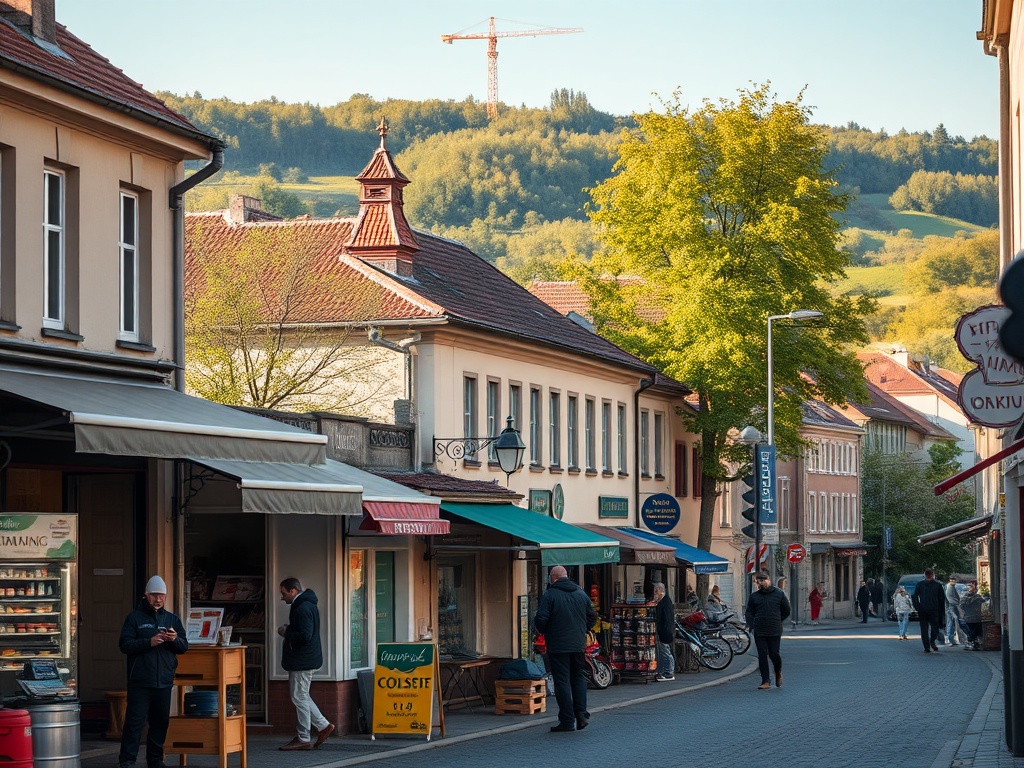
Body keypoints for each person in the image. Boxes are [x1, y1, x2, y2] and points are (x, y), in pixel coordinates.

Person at [118, 575, 188, 768]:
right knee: (134, 723)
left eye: (162, 596)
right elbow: (124, 645)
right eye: (154, 595)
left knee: (160, 722)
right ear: (146, 595)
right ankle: (127, 760)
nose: (158, 599)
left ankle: (155, 759)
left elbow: (183, 647)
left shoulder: (172, 618)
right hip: (140, 680)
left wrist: (174, 639)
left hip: (164, 680)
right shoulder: (134, 618)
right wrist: (148, 642)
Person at [534, 565, 598, 732]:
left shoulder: (550, 595)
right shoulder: (580, 593)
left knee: (562, 681)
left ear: (553, 578)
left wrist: (546, 631)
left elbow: (541, 619)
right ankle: (581, 714)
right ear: (566, 576)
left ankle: (567, 720)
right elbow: (592, 616)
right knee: (578, 678)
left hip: (558, 645)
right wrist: (582, 629)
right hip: (578, 644)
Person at [278, 577, 334, 751]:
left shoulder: (302, 608)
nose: (282, 597)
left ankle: (304, 737)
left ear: (293, 591)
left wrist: (286, 632)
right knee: (301, 695)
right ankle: (323, 726)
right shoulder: (306, 605)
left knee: (299, 697)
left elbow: (304, 635)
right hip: (305, 658)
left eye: (284, 593)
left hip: (302, 660)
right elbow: (305, 632)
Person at [745, 571, 790, 690]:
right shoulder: (755, 596)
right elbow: (749, 611)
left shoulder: (779, 594)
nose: (762, 583)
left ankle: (778, 671)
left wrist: (778, 619)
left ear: (769, 580)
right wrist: (751, 624)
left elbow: (786, 610)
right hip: (759, 629)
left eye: (764, 580)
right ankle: (765, 680)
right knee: (762, 655)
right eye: (759, 581)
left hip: (774, 629)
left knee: (774, 653)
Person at [913, 569, 947, 653]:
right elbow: (942, 599)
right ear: (932, 575)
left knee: (928, 629)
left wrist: (917, 606)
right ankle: (929, 644)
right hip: (930, 610)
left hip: (927, 610)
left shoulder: (936, 585)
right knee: (931, 628)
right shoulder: (923, 585)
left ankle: (929, 644)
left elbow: (914, 597)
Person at [652, 582, 675, 682]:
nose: (655, 594)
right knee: (664, 651)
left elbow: (666, 618)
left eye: (656, 591)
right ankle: (665, 671)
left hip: (665, 630)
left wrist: (662, 629)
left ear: (661, 591)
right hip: (665, 630)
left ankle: (669, 672)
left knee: (665, 651)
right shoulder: (664, 601)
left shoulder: (665, 602)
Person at [960, 581, 986, 651]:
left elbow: (961, 606)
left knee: (970, 630)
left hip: (968, 618)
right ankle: (974, 642)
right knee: (976, 630)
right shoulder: (978, 597)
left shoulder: (963, 598)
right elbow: (983, 601)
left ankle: (971, 642)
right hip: (976, 617)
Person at [945, 575, 963, 646]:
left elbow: (956, 596)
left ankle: (951, 639)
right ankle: (951, 639)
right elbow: (950, 599)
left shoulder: (952, 586)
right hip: (951, 607)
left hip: (952, 606)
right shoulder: (949, 587)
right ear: (950, 580)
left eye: (954, 580)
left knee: (951, 622)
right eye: (952, 580)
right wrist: (957, 603)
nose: (954, 582)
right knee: (951, 623)